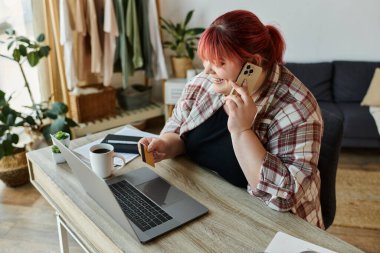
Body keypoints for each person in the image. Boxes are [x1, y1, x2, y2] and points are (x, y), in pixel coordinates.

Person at [139, 10, 324, 229]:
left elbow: (285, 197)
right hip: (207, 204)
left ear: (252, 64)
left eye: (218, 62)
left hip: (273, 225)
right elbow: (178, 126)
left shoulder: (297, 109)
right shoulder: (205, 83)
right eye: (206, 60)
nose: (207, 70)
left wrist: (242, 131)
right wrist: (166, 145)